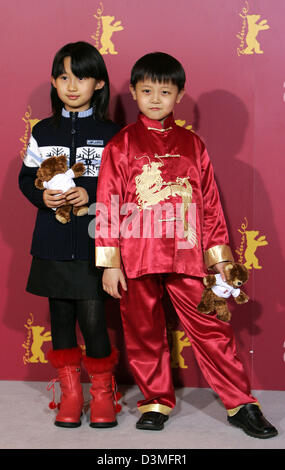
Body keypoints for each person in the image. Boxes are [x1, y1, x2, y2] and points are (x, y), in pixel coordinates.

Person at [94, 52, 278, 438]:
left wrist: (221, 261)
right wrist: (110, 262)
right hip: (136, 254)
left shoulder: (194, 144)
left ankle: (240, 403)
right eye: (147, 91)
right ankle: (155, 400)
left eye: (165, 91)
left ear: (179, 95)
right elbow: (109, 203)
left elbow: (209, 205)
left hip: (188, 253)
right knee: (143, 332)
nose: (156, 98)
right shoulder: (122, 144)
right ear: (133, 92)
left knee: (212, 328)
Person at [19, 41, 120, 429]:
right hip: (52, 244)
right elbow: (26, 178)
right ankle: (71, 395)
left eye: (81, 77)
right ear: (54, 82)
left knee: (94, 321)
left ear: (98, 83)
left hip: (95, 243)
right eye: (64, 77)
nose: (72, 85)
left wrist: (90, 193)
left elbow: (121, 186)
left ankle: (102, 395)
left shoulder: (112, 133)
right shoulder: (43, 131)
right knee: (60, 320)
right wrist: (42, 196)